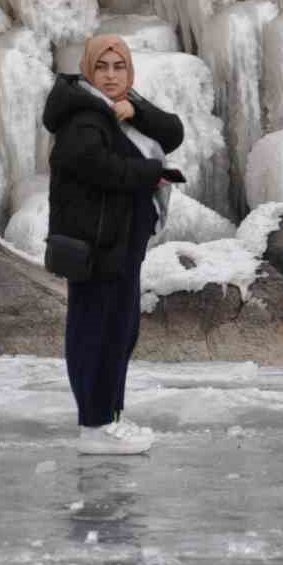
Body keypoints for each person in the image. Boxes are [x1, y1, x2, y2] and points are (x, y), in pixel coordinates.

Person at [43, 34, 184, 454]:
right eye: (101, 67)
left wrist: (135, 108)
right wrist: (150, 173)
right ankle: (94, 424)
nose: (110, 75)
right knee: (97, 331)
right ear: (88, 70)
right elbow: (94, 165)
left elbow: (172, 131)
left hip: (121, 241)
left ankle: (108, 418)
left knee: (120, 331)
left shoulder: (116, 109)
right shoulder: (84, 117)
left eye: (118, 67)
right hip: (97, 244)